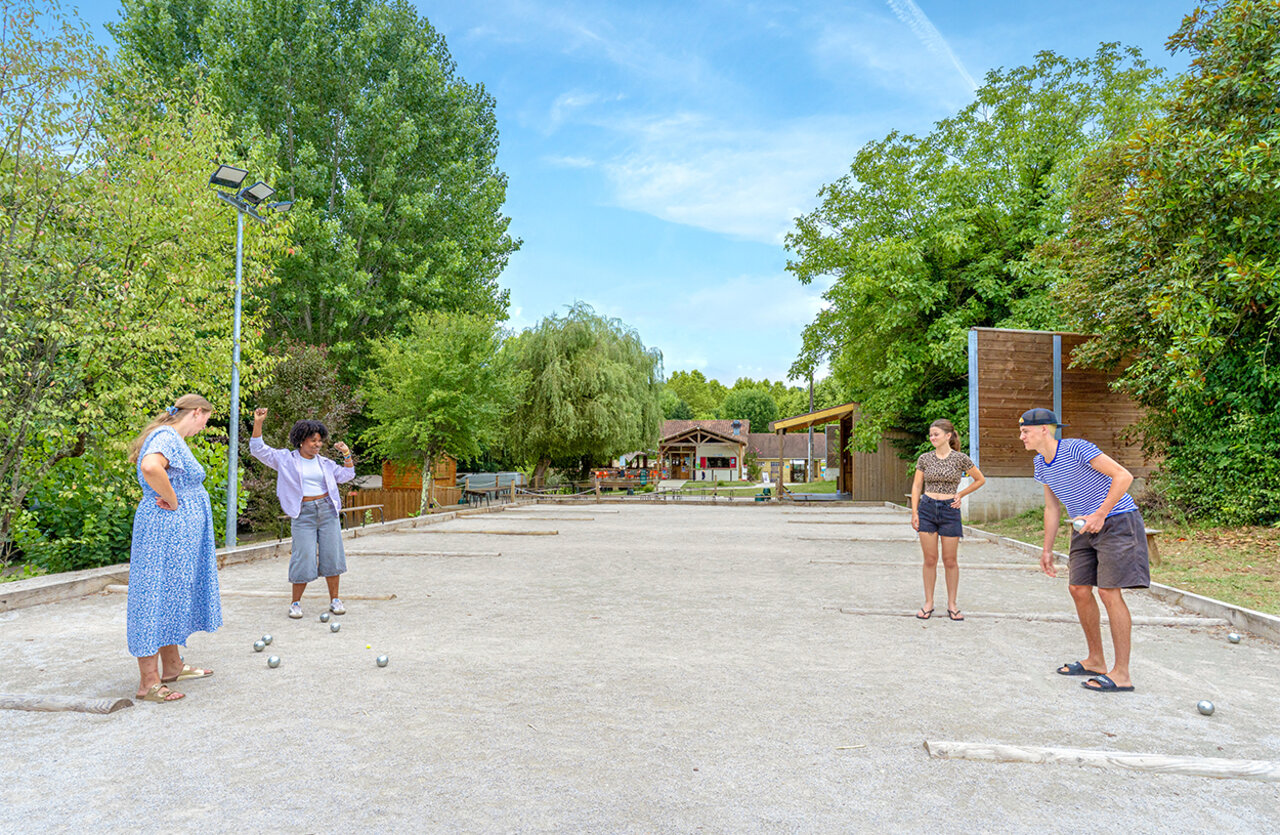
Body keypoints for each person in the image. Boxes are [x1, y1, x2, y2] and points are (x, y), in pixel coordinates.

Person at [1019, 408, 1149, 693]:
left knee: (1108, 591)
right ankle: (1096, 660)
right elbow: (1052, 507)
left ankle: (1122, 674)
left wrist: (1101, 513)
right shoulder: (1040, 463)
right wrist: (1047, 549)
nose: (1021, 436)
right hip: (1083, 527)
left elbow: (1123, 476)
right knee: (1078, 588)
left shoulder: (1076, 448)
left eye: (1025, 431)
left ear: (1044, 429)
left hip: (1116, 520)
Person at [126, 394, 222, 703]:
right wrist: (174, 498)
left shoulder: (170, 437)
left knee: (171, 594)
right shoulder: (166, 436)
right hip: (163, 532)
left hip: (174, 534)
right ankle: (149, 683)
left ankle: (172, 667)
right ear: (197, 412)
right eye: (206, 418)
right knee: (154, 595)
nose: (205, 425)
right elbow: (151, 467)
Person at [250, 408, 355, 619]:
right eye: (313, 441)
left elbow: (347, 474)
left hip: (327, 511)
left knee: (332, 556)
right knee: (303, 557)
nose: (317, 444)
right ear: (301, 441)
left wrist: (346, 453)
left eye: (320, 441)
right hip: (303, 514)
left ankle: (335, 600)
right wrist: (258, 423)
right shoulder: (285, 459)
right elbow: (257, 449)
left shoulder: (324, 463)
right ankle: (295, 603)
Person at [910, 419, 986, 621]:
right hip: (927, 508)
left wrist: (960, 494)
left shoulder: (960, 458)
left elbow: (980, 479)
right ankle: (929, 603)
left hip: (949, 510)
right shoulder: (925, 458)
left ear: (948, 436)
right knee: (930, 559)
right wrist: (914, 511)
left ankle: (952, 604)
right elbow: (917, 486)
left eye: (936, 434)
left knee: (950, 560)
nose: (932, 437)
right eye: (930, 434)